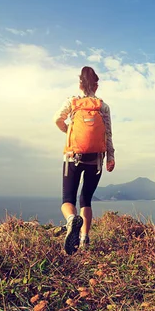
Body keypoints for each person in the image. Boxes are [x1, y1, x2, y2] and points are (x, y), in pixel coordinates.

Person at [53, 66, 115, 255]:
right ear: (96, 85)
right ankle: (84, 239)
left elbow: (57, 119)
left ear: (80, 83)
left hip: (73, 156)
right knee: (86, 199)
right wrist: (110, 157)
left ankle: (71, 220)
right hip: (95, 160)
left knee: (67, 199)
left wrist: (68, 131)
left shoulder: (71, 102)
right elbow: (108, 133)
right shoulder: (102, 106)